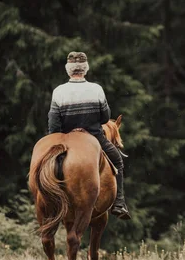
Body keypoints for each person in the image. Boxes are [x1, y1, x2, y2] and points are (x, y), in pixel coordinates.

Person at [47, 51, 131, 220]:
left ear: (68, 70)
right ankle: (120, 203)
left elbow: (53, 125)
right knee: (118, 161)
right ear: (85, 69)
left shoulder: (58, 91)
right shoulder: (96, 89)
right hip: (94, 137)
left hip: (65, 138)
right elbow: (105, 118)